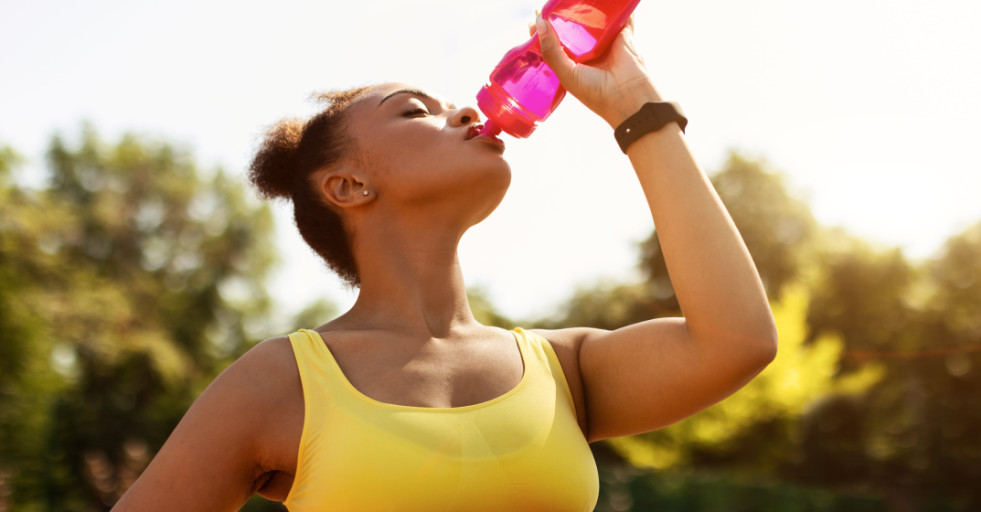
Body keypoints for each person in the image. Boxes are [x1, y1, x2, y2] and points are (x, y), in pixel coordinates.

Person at [113, 15, 777, 512]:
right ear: (347, 187)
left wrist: (636, 108)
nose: (463, 109)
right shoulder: (283, 381)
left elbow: (737, 341)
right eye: (414, 111)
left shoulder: (563, 370)